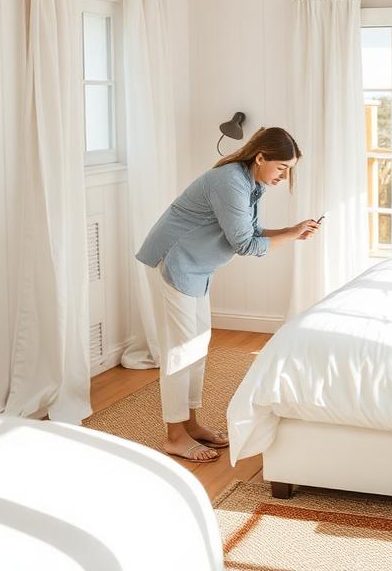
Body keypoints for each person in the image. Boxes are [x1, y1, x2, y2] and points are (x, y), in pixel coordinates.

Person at [136, 127, 319, 463]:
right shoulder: (229, 182)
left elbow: (249, 232)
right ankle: (174, 435)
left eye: (289, 169)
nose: (284, 175)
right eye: (282, 167)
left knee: (196, 346)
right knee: (180, 351)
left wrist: (292, 231)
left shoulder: (251, 185)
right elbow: (246, 245)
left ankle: (190, 424)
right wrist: (291, 237)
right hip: (173, 261)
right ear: (261, 157)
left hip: (197, 268)